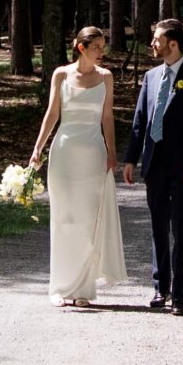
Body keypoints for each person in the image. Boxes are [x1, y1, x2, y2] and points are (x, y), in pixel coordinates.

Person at [27, 25, 127, 308]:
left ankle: (83, 289)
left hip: (93, 153)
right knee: (63, 219)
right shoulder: (61, 74)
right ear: (81, 48)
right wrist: (38, 148)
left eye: (103, 47)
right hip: (64, 152)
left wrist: (111, 150)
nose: (102, 52)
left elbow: (107, 117)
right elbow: (52, 113)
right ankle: (59, 288)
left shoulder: (106, 77)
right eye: (97, 47)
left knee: (86, 221)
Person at [122, 17, 183, 314]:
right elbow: (139, 123)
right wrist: (131, 159)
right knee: (158, 227)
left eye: (157, 40)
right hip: (154, 165)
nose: (152, 44)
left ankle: (180, 297)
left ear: (173, 44)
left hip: (182, 167)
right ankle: (161, 289)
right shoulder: (150, 77)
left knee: (181, 231)